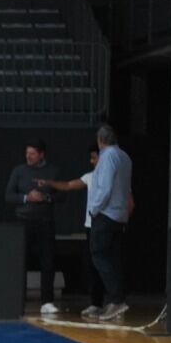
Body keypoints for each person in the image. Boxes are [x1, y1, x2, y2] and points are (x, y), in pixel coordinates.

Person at [39, 143, 135, 319]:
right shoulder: (91, 177)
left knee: (109, 264)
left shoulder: (115, 179)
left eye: (94, 157)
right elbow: (69, 185)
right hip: (92, 226)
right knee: (95, 266)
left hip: (108, 224)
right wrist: (50, 183)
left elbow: (129, 202)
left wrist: (122, 222)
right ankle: (97, 303)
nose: (92, 162)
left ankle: (116, 301)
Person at [3, 140, 62, 314]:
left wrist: (46, 198)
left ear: (41, 154)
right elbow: (8, 195)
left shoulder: (53, 171)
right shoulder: (19, 171)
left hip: (45, 221)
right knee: (22, 260)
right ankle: (18, 298)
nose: (28, 156)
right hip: (23, 221)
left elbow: (62, 196)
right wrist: (27, 197)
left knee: (47, 261)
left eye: (33, 153)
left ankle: (47, 301)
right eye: (27, 153)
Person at [82, 125, 132, 321]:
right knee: (112, 258)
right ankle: (114, 300)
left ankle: (117, 299)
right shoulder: (125, 157)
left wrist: (94, 208)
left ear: (100, 140)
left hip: (106, 214)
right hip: (120, 215)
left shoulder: (107, 157)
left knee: (99, 256)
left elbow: (105, 187)